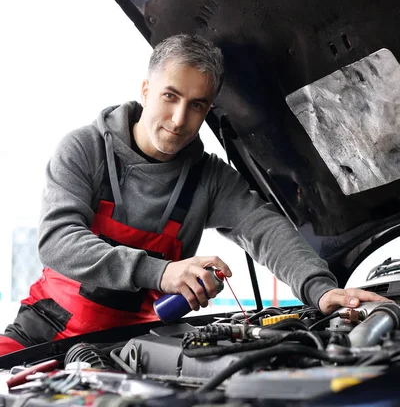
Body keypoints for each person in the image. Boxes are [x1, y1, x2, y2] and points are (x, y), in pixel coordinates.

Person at [0, 34, 386, 354]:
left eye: (196, 105)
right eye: (170, 96)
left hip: (132, 348)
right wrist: (162, 272)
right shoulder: (85, 149)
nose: (180, 120)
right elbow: (58, 241)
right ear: (147, 89)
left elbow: (266, 230)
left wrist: (322, 291)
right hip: (43, 334)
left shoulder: (209, 180)